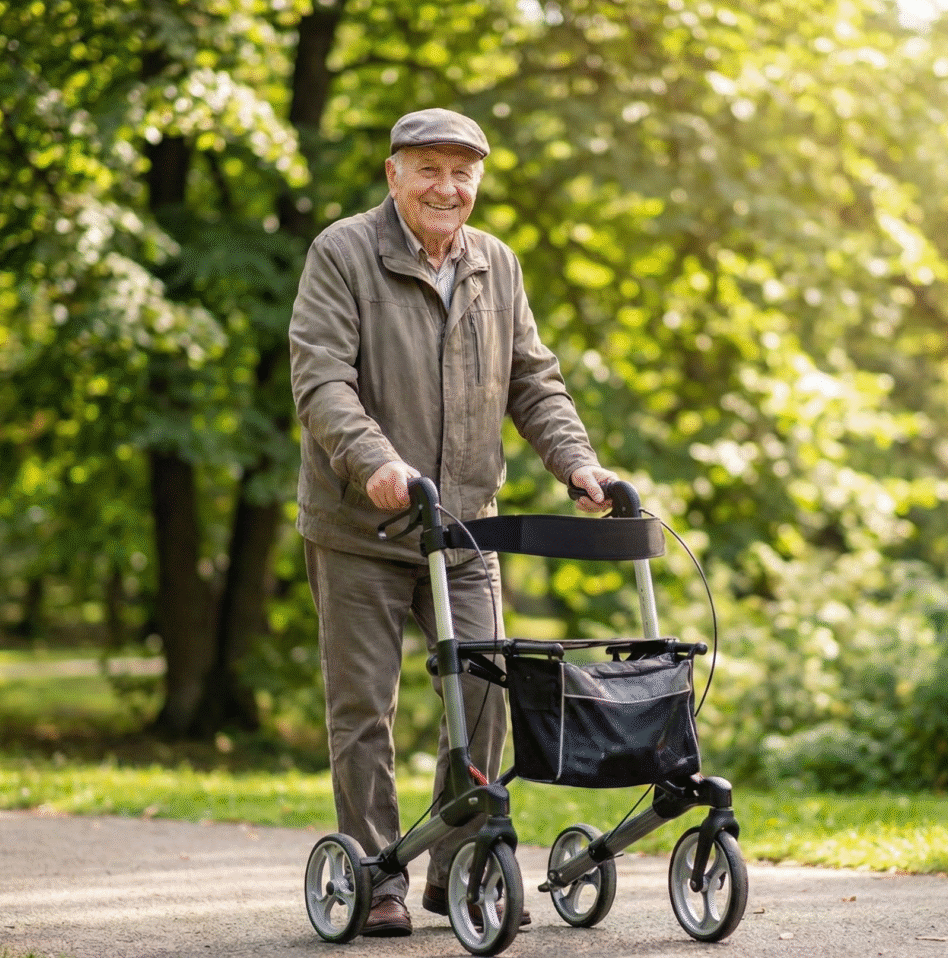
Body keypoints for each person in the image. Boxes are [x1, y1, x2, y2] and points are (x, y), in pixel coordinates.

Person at [288, 107, 618, 938]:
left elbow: (533, 380)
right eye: (429, 168)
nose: (448, 186)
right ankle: (376, 873)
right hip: (362, 526)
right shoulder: (343, 252)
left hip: (466, 527)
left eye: (462, 171)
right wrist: (376, 464)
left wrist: (577, 462)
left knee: (484, 695)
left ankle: (458, 868)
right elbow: (322, 378)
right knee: (364, 708)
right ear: (393, 173)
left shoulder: (494, 265)